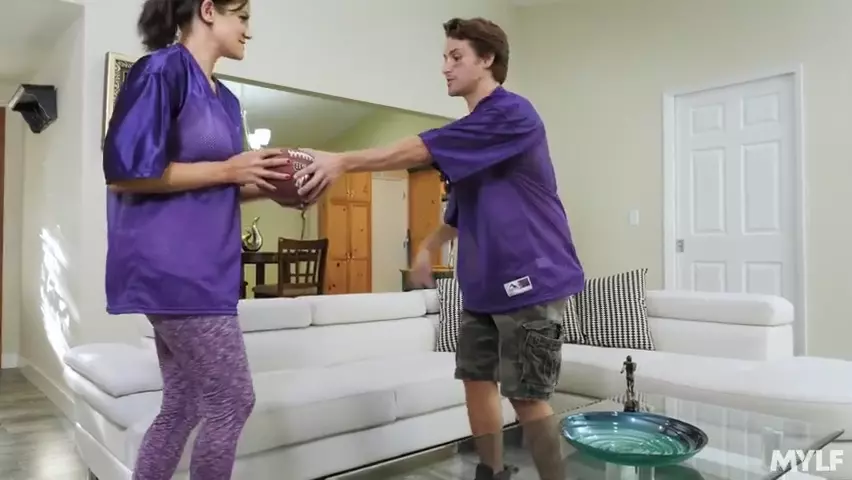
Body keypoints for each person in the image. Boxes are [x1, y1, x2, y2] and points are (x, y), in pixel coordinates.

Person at [295, 17, 585, 480]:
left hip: (532, 279)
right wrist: (428, 246)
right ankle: (492, 472)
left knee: (527, 395)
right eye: (444, 57)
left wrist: (343, 160)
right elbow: (460, 214)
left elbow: (419, 149)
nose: (445, 67)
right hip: (483, 286)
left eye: (456, 57)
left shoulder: (512, 114)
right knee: (475, 380)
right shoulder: (471, 136)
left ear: (486, 59)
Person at [102, 0, 295, 478]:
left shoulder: (227, 100)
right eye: (243, 17)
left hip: (211, 269)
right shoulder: (160, 71)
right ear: (208, 10)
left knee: (183, 405)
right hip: (173, 270)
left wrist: (276, 190)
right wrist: (229, 169)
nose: (249, 30)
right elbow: (125, 173)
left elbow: (224, 182)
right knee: (233, 400)